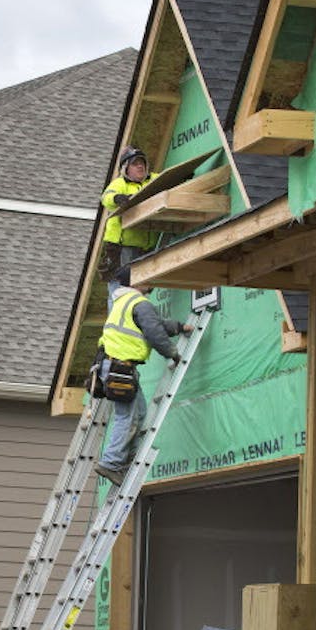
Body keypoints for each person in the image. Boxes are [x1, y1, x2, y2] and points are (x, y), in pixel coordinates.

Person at [94, 265, 192, 487]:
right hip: (120, 366)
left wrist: (177, 327)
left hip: (112, 365)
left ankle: (124, 459)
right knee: (126, 416)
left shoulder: (123, 302)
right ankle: (111, 463)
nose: (151, 281)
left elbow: (154, 325)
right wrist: (173, 353)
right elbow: (154, 333)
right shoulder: (140, 303)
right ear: (134, 282)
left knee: (139, 412)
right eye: (145, 277)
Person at [99, 147, 158, 279]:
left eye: (142, 163)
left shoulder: (153, 180)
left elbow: (168, 179)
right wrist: (116, 198)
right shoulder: (120, 184)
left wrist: (181, 178)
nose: (140, 166)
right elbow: (106, 198)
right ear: (126, 168)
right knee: (120, 285)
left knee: (141, 285)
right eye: (135, 163)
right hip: (122, 246)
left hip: (146, 247)